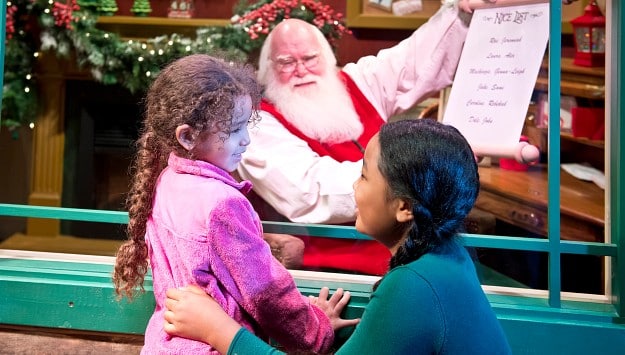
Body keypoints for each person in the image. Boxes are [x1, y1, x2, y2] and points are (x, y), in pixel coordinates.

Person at [163, 119, 512, 354]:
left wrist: (218, 331)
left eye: (364, 176)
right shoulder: (447, 257)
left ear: (404, 207)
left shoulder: (414, 285)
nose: (354, 186)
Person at [112, 54, 358, 354]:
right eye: (234, 130)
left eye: (247, 127)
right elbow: (265, 291)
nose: (246, 141)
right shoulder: (224, 204)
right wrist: (316, 329)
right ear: (188, 137)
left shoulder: (165, 180)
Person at [238, 0, 491, 276]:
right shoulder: (257, 123)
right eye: (286, 62)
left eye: (310, 58)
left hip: (412, 253)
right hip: (334, 274)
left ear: (328, 58)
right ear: (268, 68)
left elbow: (414, 61)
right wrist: (413, 169)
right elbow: (309, 192)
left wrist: (460, 13)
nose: (301, 71)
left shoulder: (357, 81)